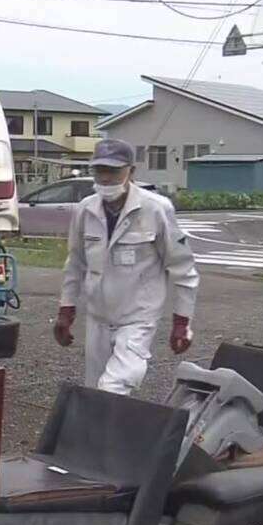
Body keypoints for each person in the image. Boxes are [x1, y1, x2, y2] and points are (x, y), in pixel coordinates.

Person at [55, 138, 200, 395]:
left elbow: (182, 268)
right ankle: (107, 435)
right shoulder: (85, 210)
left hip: (137, 319)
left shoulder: (156, 209)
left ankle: (109, 432)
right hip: (98, 317)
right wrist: (66, 311)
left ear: (131, 171)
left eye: (113, 170)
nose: (106, 178)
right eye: (100, 170)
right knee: (96, 392)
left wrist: (182, 322)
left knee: (114, 386)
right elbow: (75, 262)